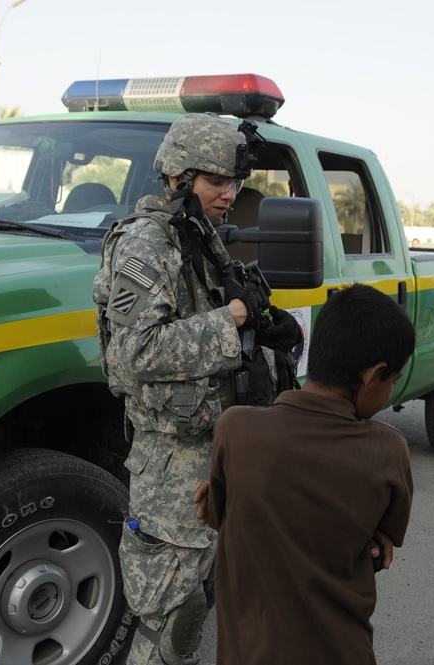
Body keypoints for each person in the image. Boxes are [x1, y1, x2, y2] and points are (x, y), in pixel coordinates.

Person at [92, 112, 301, 665]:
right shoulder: (147, 243)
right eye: (217, 181)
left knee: (200, 605)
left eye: (235, 182)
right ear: (179, 177)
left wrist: (264, 333)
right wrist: (233, 320)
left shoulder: (198, 235)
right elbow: (134, 353)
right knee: (168, 620)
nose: (230, 193)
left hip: (216, 451)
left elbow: (209, 323)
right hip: (173, 462)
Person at [194, 283, 414, 664]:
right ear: (373, 375)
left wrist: (221, 486)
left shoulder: (235, 429)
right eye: (392, 382)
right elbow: (383, 538)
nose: (389, 392)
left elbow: (215, 512)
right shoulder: (387, 451)